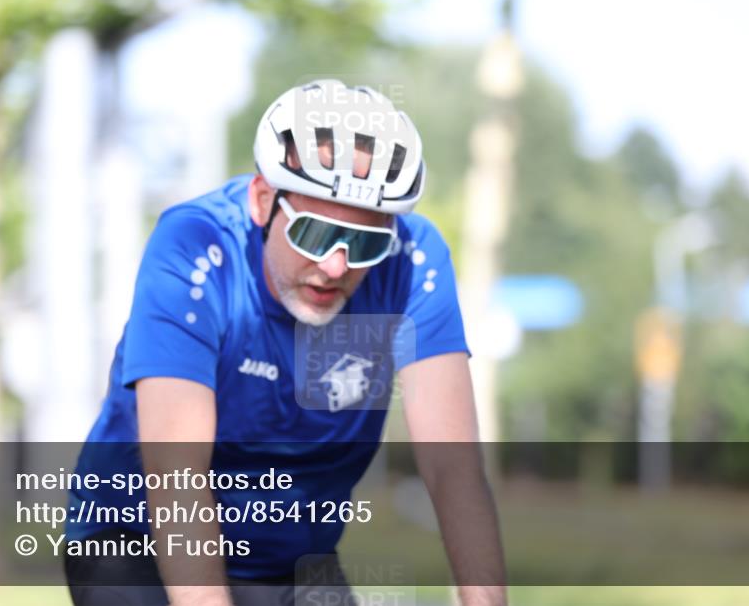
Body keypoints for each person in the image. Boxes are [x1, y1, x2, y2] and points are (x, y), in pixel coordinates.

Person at [63, 80, 507, 606]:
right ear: (262, 200)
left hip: (294, 561)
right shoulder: (195, 247)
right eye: (315, 235)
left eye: (364, 243)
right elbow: (177, 477)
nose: (335, 266)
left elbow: (453, 467)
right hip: (137, 542)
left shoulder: (412, 262)